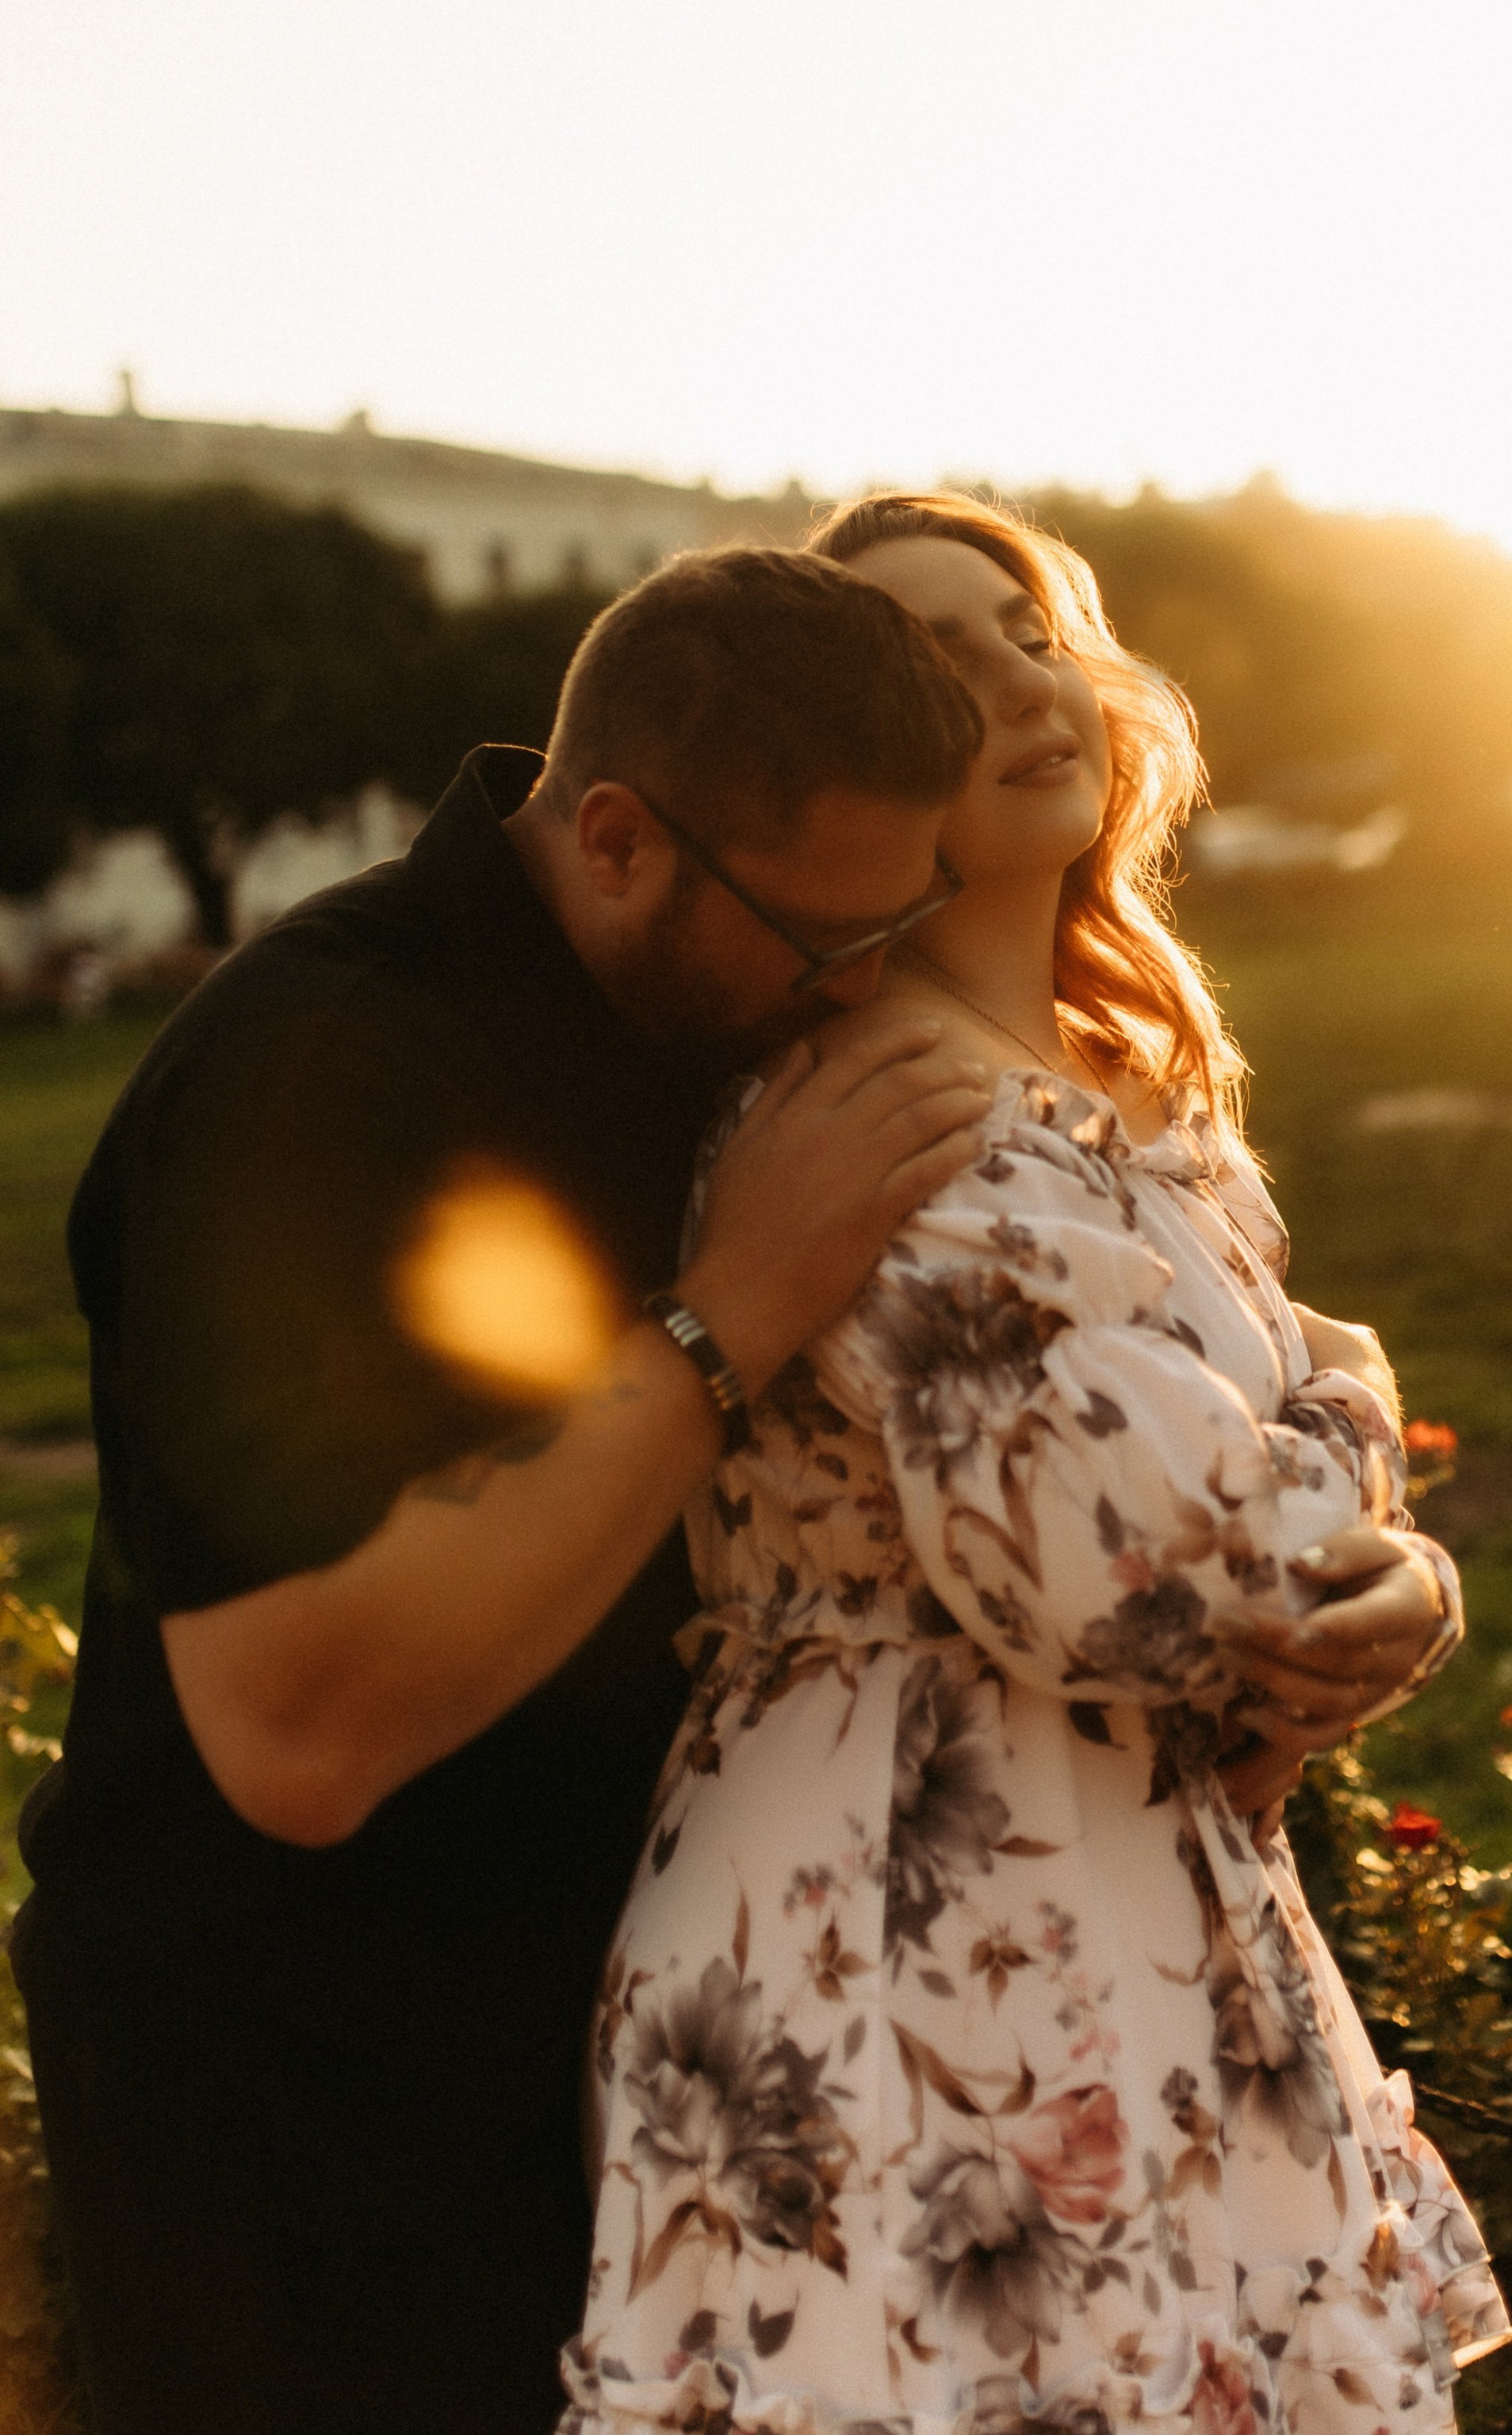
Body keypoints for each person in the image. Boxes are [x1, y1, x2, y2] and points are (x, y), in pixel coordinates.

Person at [14, 547, 1001, 2435]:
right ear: (617, 837)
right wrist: (727, 1322)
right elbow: (298, 1734)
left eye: (907, 917)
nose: (864, 987)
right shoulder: (309, 1080)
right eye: (821, 944)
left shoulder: (696, 1012)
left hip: (638, 2041)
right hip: (304, 2118)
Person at [565, 496, 1512, 2435]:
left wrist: (1385, 1564)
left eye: (1029, 627)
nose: (1017, 679)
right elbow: (1142, 1574)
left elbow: (1270, 1552)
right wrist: (1355, 1437)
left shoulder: (1122, 1104)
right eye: (935, 660)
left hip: (1115, 1883)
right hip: (910, 1921)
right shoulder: (883, 1111)